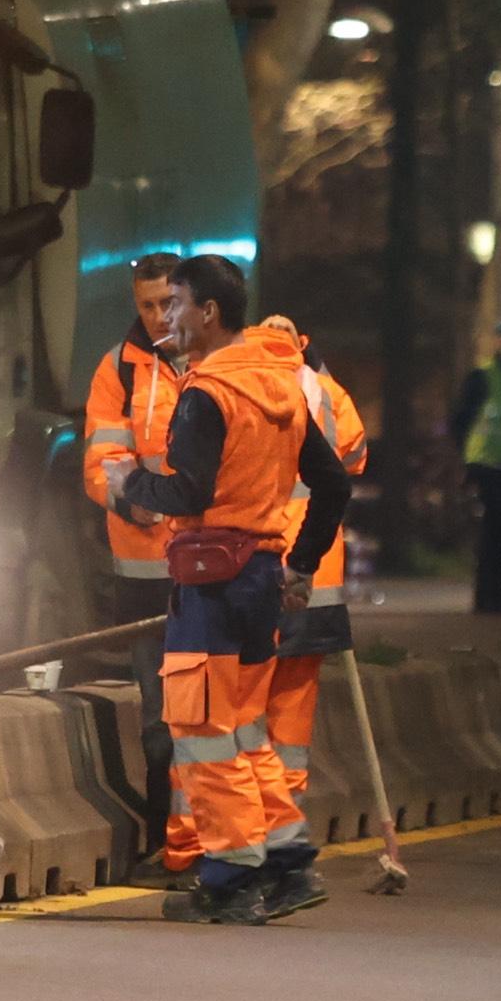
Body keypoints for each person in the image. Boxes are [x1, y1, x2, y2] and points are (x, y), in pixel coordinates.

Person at [111, 256, 351, 926]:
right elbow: (333, 484)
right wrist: (300, 566)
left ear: (209, 311)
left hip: (212, 581)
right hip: (263, 576)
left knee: (205, 731)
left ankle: (230, 880)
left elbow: (189, 490)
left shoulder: (207, 391)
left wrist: (133, 484)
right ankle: (288, 863)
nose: (168, 317)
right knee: (244, 730)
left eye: (178, 303)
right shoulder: (281, 383)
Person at [81, 252, 187, 872]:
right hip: (146, 570)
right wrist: (132, 501)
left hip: (210, 569)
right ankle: (163, 841)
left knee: (206, 716)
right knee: (157, 717)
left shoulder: (216, 362)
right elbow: (103, 459)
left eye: (165, 304)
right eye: (144, 305)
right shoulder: (119, 369)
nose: (154, 317)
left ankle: (196, 843)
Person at [256, 316, 369, 822]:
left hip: (255, 571)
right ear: (302, 343)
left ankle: (245, 827)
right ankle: (286, 829)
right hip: (316, 575)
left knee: (242, 712)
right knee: (293, 715)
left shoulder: (242, 384)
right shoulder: (326, 392)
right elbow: (356, 455)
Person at [450, 316, 501, 616]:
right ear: (500, 342)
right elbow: (460, 420)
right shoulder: (483, 377)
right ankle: (489, 597)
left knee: (500, 533)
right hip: (485, 465)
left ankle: (495, 596)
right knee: (492, 534)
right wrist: (464, 462)